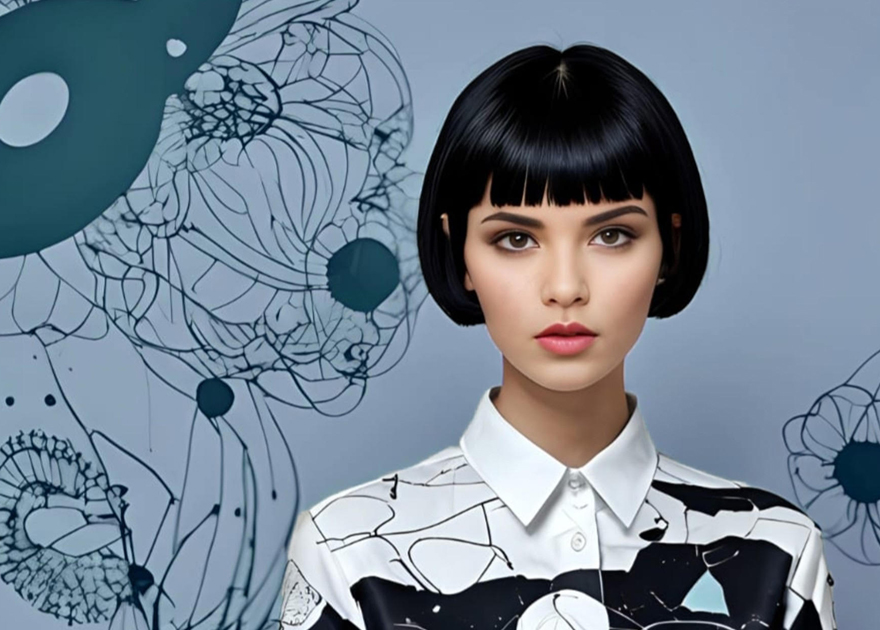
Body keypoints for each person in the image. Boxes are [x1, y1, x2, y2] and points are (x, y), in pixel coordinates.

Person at [277, 43, 837, 630]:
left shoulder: (773, 551)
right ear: (458, 250)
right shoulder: (349, 552)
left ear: (669, 247)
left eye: (613, 234)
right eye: (516, 239)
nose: (565, 287)